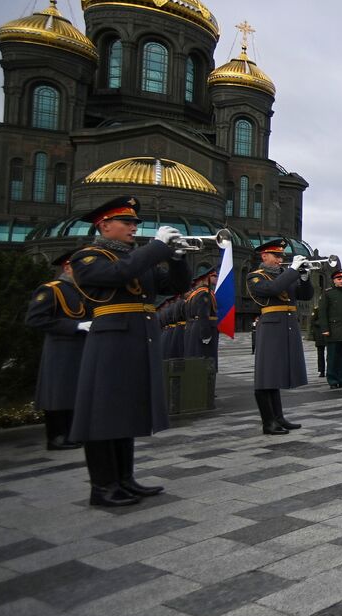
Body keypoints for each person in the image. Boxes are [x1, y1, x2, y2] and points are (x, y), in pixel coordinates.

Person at [67, 196, 190, 506]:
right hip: (111, 340)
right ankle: (103, 487)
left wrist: (176, 257)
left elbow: (174, 286)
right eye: (127, 222)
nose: (134, 228)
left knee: (125, 410)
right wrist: (158, 248)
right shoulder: (88, 256)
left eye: (135, 223)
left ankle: (124, 479)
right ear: (104, 225)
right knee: (103, 413)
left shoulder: (136, 258)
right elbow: (117, 275)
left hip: (138, 338)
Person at [247, 239, 313, 434]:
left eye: (281, 256)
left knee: (275, 374)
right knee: (266, 374)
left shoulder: (285, 275)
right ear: (264, 256)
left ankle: (279, 417)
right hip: (271, 327)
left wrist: (304, 277)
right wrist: (293, 270)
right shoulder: (255, 277)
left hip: (288, 326)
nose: (279, 260)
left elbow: (305, 295)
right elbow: (272, 290)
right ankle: (268, 422)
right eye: (276, 256)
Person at [25, 251, 87, 451]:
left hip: (81, 348)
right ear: (67, 267)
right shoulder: (52, 289)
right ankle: (57, 437)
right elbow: (35, 319)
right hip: (60, 349)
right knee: (58, 393)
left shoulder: (83, 291)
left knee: (74, 393)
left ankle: (72, 434)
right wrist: (75, 326)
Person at [183, 266, 220, 365]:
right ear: (207, 278)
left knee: (195, 356)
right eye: (214, 276)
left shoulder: (194, 295)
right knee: (205, 359)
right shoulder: (204, 294)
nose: (216, 278)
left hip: (194, 327)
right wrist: (206, 334)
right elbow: (203, 315)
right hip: (203, 328)